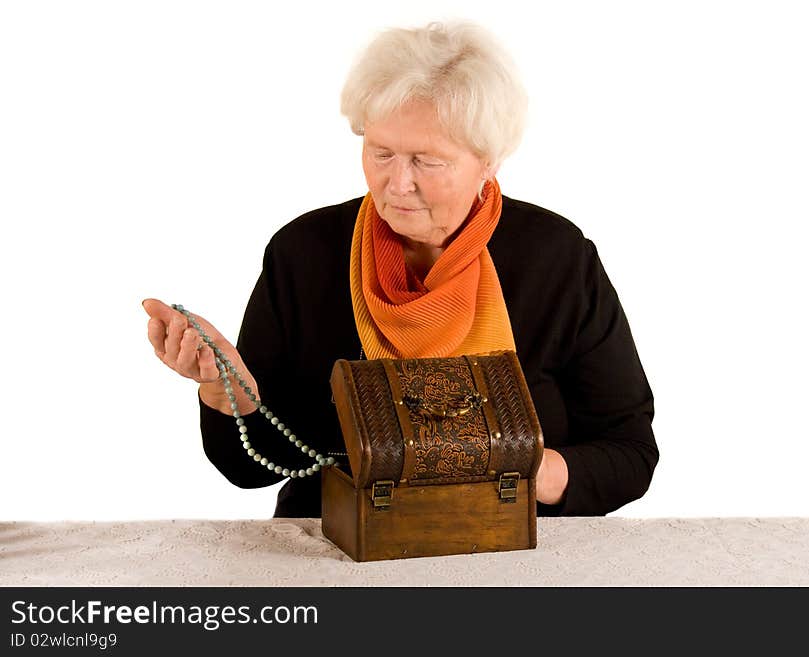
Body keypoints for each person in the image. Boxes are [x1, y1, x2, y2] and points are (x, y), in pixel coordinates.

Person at [143, 21, 658, 518]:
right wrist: (226, 393)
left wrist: (523, 468)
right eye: (381, 152)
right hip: (342, 556)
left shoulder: (556, 258)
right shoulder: (304, 254)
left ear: (490, 160)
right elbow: (252, 468)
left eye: (426, 161)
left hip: (513, 553)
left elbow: (630, 453)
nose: (397, 183)